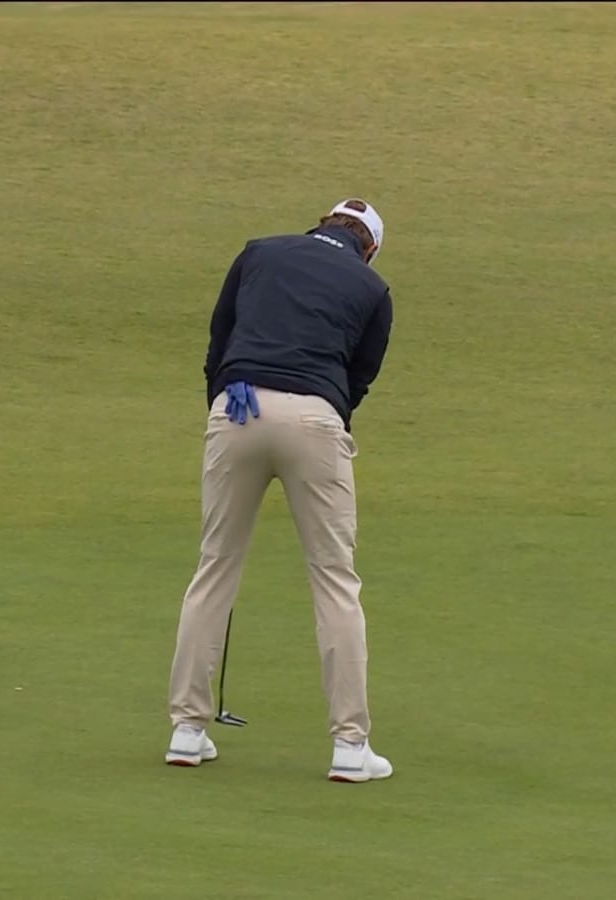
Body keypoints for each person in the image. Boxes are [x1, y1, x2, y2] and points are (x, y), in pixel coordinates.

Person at [164, 199, 396, 783]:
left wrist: (226, 405)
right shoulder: (373, 287)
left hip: (236, 408)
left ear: (321, 221)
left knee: (215, 567)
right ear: (368, 246)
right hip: (317, 415)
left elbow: (219, 342)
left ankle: (187, 732)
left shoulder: (259, 252)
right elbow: (359, 378)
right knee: (334, 579)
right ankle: (350, 746)